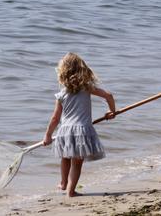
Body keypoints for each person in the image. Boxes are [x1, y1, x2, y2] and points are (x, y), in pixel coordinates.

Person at [43, 52, 116, 197]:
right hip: (81, 130)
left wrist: (48, 135)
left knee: (65, 157)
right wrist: (111, 111)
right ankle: (71, 191)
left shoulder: (61, 94)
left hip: (64, 131)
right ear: (82, 70)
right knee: (77, 163)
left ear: (63, 72)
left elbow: (55, 118)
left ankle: (63, 183)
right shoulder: (86, 88)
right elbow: (108, 95)